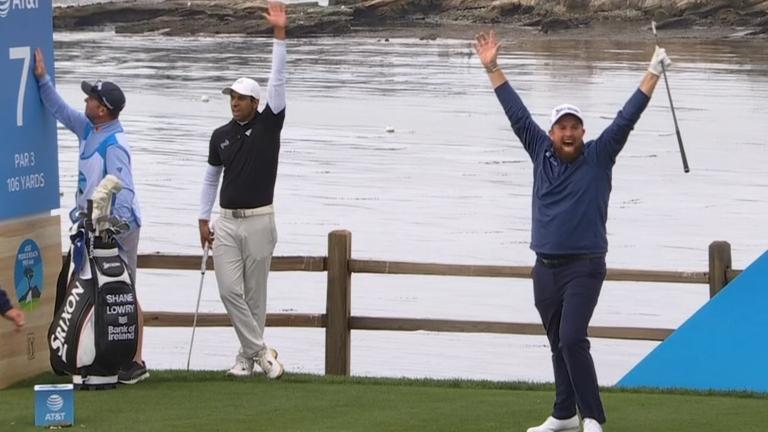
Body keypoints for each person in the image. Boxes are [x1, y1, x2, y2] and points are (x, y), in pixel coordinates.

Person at [473, 31, 671, 432]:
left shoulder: (600, 155)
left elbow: (626, 117)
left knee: (571, 339)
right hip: (544, 267)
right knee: (556, 344)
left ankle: (592, 417)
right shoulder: (539, 151)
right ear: (551, 133)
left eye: (574, 127)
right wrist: (492, 67)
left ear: (582, 132)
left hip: (584, 266)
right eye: (561, 127)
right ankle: (563, 413)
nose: (567, 133)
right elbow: (515, 111)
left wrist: (652, 71)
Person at [33, 51, 148, 385]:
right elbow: (59, 110)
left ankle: (135, 360)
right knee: (97, 289)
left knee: (124, 290)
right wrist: (42, 80)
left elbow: (122, 188)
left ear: (103, 108)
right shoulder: (88, 128)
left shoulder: (114, 142)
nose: (85, 99)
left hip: (115, 230)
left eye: (91, 97)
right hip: (92, 226)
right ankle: (101, 354)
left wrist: (115, 226)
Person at [198, 1, 288, 379]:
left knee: (255, 297)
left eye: (240, 98)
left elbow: (278, 79)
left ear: (255, 102)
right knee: (228, 291)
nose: (234, 103)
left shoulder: (270, 124)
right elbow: (210, 178)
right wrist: (202, 218)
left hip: (259, 220)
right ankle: (263, 352)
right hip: (227, 224)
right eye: (231, 98)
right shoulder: (221, 135)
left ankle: (245, 359)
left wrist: (279, 35)